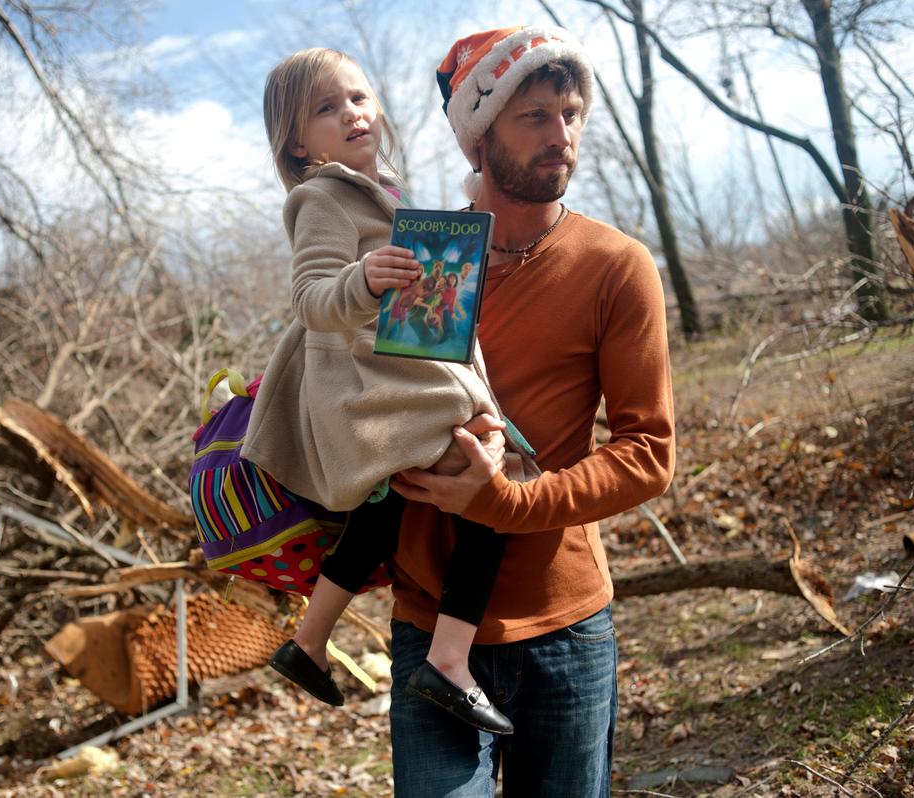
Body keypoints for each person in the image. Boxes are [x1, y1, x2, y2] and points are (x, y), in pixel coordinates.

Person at [387, 26, 675, 796]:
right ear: (480, 137)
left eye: (572, 113)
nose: (562, 136)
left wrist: (511, 502)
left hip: (566, 629)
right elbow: (382, 413)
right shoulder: (428, 261)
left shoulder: (616, 266)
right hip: (430, 623)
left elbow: (648, 453)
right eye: (535, 116)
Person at [242, 47, 535, 735]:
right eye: (325, 108)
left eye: (358, 98)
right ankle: (450, 661)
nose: (351, 113)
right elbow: (314, 299)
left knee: (386, 511)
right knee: (492, 481)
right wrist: (366, 278)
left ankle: (308, 643)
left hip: (401, 376)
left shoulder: (386, 192)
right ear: (296, 141)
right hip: (373, 390)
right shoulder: (319, 200)